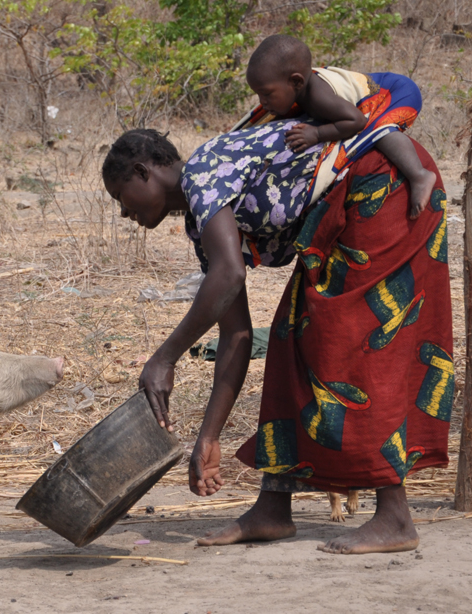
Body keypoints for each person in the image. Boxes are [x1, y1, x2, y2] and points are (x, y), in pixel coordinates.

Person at [102, 123, 452, 554]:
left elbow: (229, 273)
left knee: (355, 343)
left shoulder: (203, 175)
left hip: (385, 182)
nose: (123, 212)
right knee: (289, 340)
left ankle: (395, 516)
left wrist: (165, 357)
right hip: (349, 205)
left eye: (121, 197)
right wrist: (208, 437)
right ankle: (273, 508)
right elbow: (237, 334)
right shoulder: (203, 219)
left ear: (142, 172)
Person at [245, 34, 436, 219]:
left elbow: (356, 121)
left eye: (267, 94)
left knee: (378, 131)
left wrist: (317, 133)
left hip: (397, 93)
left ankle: (419, 175)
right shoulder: (302, 91)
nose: (263, 102)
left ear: (296, 82)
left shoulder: (317, 97)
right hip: (384, 90)